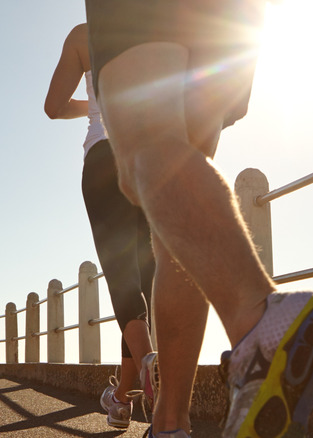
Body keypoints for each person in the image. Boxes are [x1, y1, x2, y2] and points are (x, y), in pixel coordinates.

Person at [82, 1, 313, 437]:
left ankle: (259, 322)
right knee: (175, 227)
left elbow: (53, 106)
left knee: (144, 153)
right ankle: (170, 424)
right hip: (231, 19)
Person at [44, 23, 159, 429]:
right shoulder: (155, 24)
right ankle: (123, 400)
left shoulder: (84, 34)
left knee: (122, 276)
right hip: (149, 155)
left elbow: (53, 106)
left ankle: (150, 372)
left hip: (103, 153)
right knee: (143, 280)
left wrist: (93, 107)